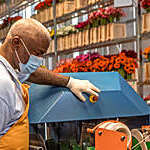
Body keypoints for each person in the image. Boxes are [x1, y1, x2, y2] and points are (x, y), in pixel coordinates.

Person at [0, 18, 100, 149]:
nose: (39, 61)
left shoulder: (11, 66)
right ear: (16, 43)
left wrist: (69, 82)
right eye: (37, 53)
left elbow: (34, 73)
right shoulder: (3, 85)